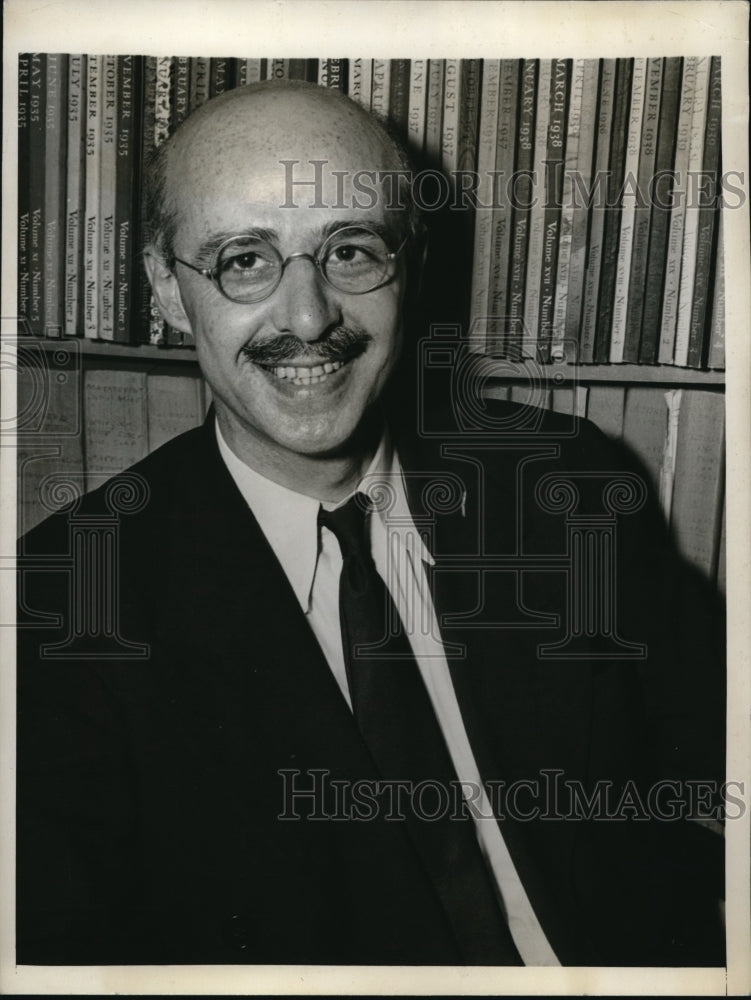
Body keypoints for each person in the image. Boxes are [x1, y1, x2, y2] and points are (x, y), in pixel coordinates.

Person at [16, 79, 725, 967]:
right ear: (167, 287)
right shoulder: (65, 603)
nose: (309, 318)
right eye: (244, 259)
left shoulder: (566, 486)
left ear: (410, 264)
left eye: (349, 252)